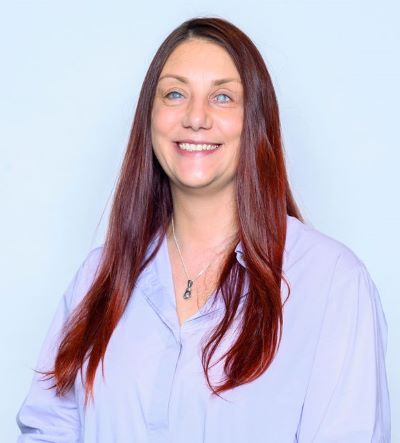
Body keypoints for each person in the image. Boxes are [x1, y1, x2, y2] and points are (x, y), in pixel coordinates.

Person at [17, 17, 390, 443]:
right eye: (175, 93)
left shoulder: (332, 282)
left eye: (223, 97)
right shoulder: (100, 275)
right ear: (150, 118)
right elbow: (49, 431)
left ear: (256, 121)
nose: (196, 117)